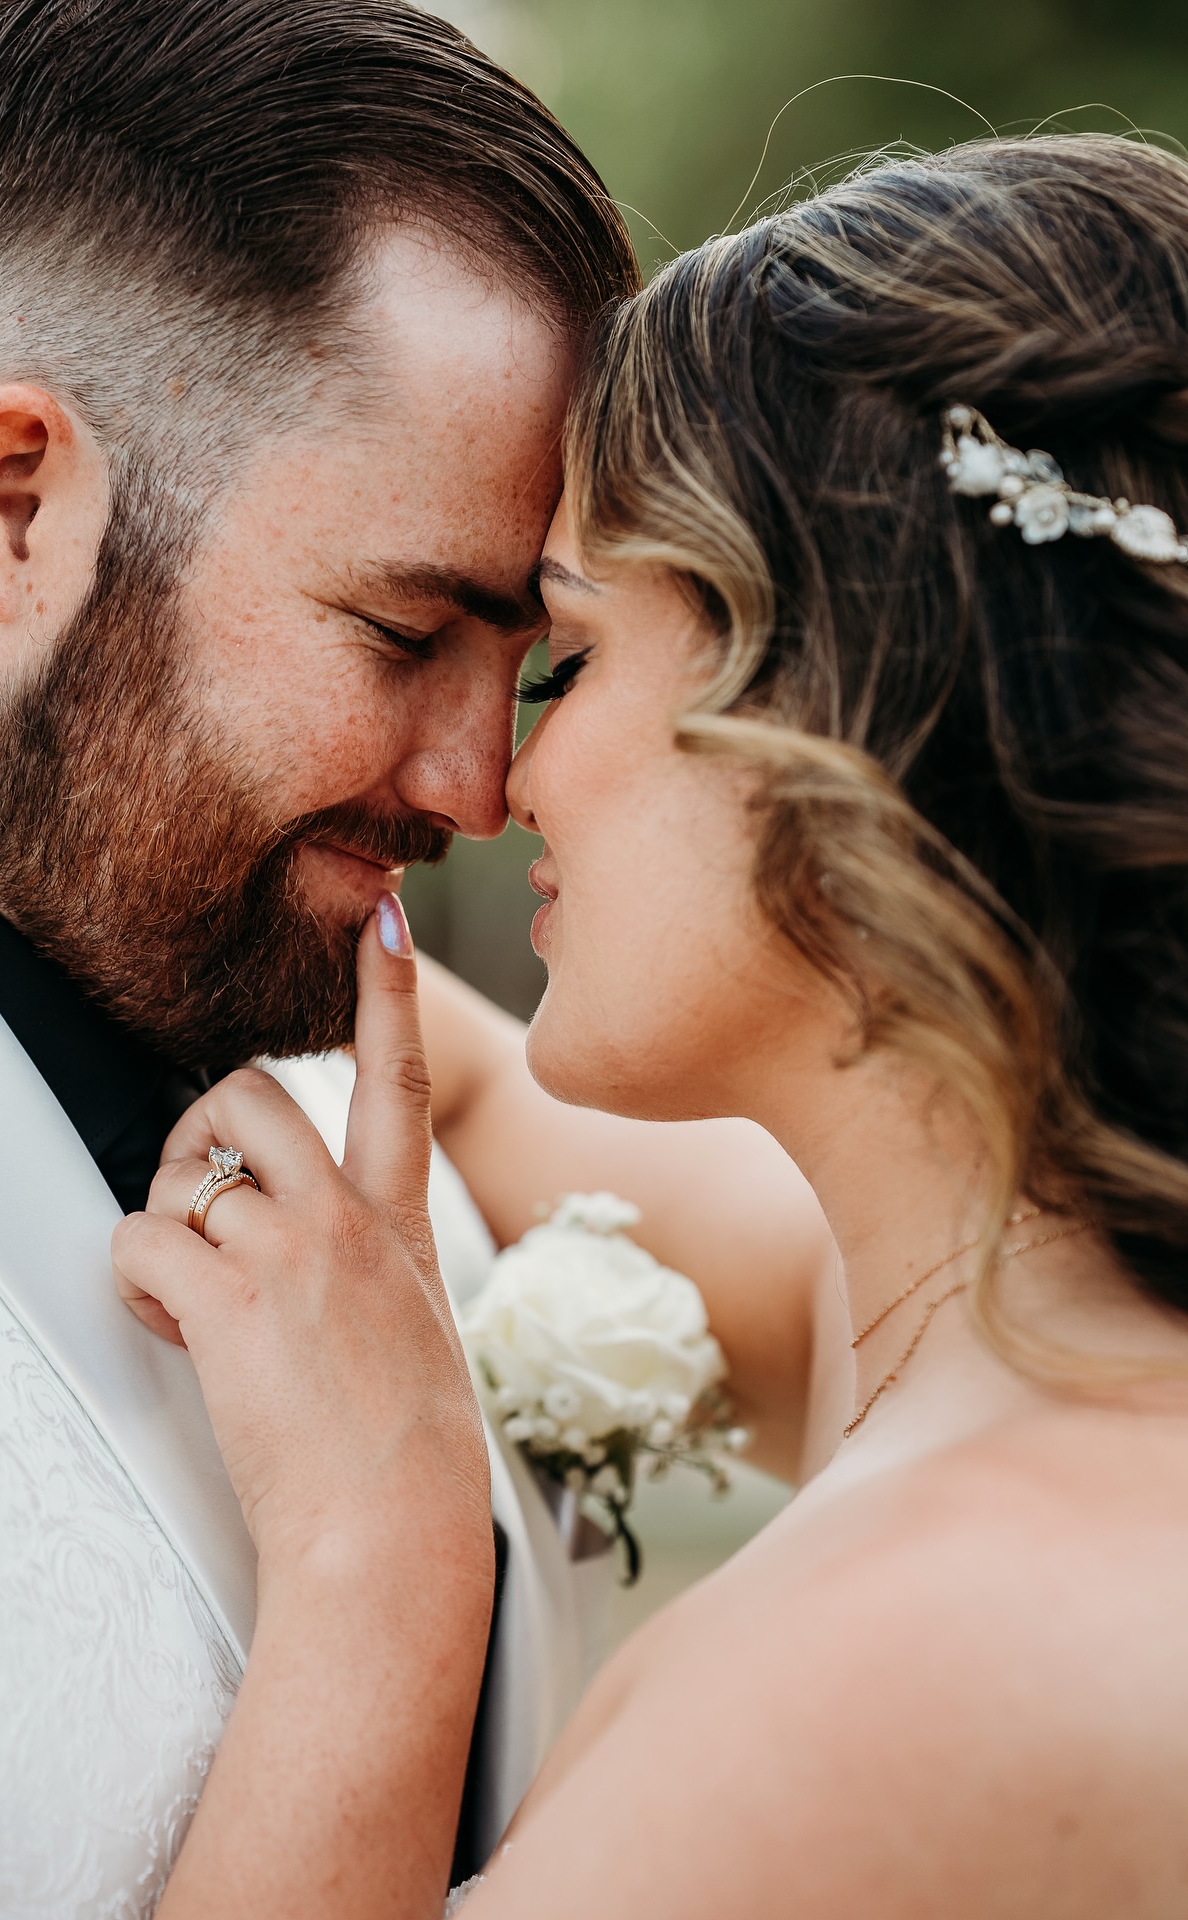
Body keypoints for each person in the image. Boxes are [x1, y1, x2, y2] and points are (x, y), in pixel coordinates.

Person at [0, 1, 776, 1909]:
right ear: (16, 504)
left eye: (530, 664)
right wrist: (380, 1577)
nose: (487, 784)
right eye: (406, 633)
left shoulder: (344, 1050)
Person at [115, 132, 1188, 1916]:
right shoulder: (1028, 1382)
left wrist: (383, 1553)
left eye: (570, 660)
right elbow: (444, 1074)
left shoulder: (929, 1659)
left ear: (847, 711)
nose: (503, 780)